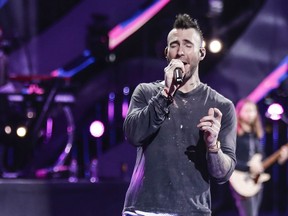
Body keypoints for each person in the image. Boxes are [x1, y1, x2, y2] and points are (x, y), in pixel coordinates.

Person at [122, 13, 237, 216]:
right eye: (174, 45)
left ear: (201, 53)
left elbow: (223, 174)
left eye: (187, 45)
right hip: (143, 210)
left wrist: (212, 147)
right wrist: (165, 94)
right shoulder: (145, 92)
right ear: (167, 53)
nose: (180, 52)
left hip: (192, 211)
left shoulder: (221, 106)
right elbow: (133, 135)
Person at [230, 98, 288, 216]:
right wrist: (248, 167)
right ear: (239, 113)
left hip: (255, 180)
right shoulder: (233, 134)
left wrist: (280, 157)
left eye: (253, 110)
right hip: (240, 179)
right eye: (247, 111)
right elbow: (228, 159)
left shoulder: (256, 135)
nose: (250, 114)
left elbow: (262, 159)